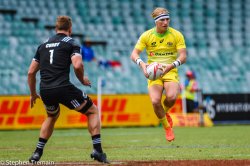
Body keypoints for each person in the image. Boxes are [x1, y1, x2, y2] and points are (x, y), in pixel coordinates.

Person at [27, 16, 109, 164]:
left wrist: (33, 93)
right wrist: (82, 79)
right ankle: (97, 150)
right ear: (70, 29)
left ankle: (37, 153)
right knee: (92, 111)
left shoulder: (43, 45)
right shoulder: (72, 43)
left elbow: (31, 72)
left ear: (55, 29)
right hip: (63, 88)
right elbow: (77, 65)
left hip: (45, 90)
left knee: (51, 116)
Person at [130, 7, 187, 142]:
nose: (165, 22)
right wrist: (143, 65)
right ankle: (167, 128)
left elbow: (183, 56)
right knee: (155, 101)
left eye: (167, 19)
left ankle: (165, 112)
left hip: (170, 70)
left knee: (172, 97)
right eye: (162, 20)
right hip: (153, 73)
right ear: (156, 21)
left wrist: (172, 66)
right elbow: (134, 54)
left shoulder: (176, 34)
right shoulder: (147, 36)